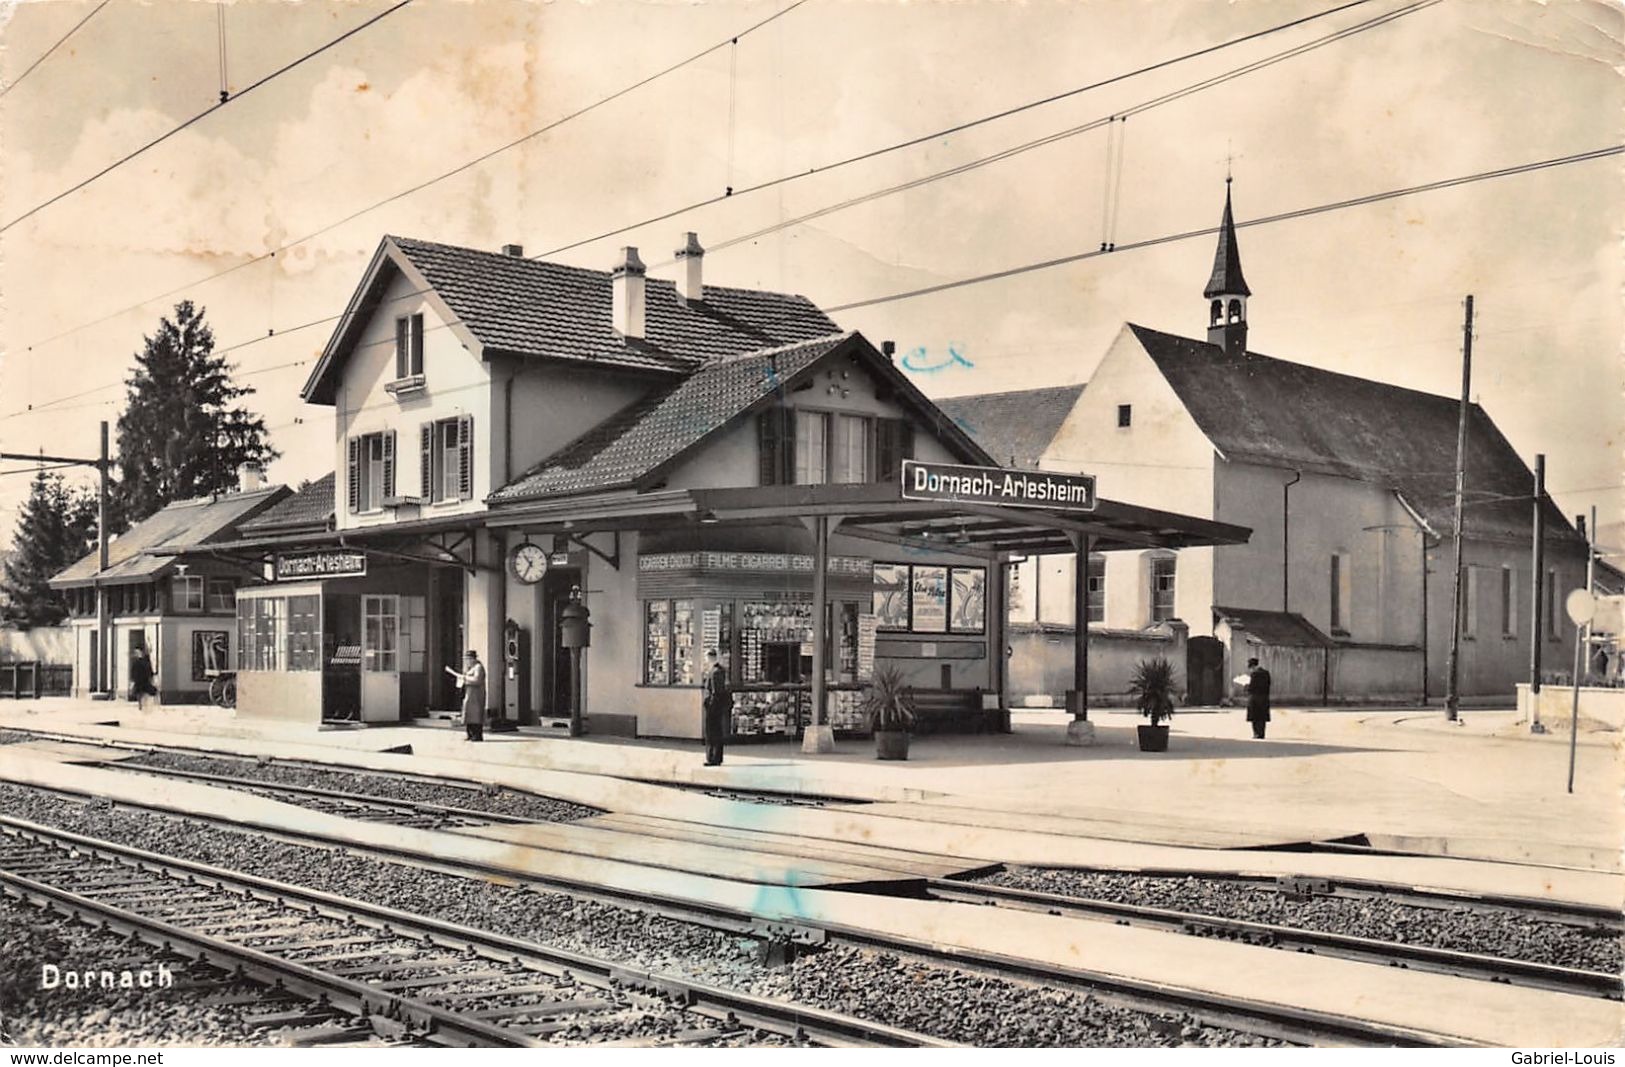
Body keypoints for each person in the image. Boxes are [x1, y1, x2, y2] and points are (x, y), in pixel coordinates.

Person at [701, 648, 731, 766]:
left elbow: (716, 691)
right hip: (717, 705)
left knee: (712, 732)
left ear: (710, 657)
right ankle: (716, 757)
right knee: (717, 731)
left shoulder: (715, 672)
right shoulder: (719, 670)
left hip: (714, 707)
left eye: (706, 657)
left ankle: (713, 757)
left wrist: (710, 704)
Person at [453, 650, 487, 742]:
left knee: (475, 715)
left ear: (472, 659)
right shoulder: (470, 668)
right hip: (469, 694)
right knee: (469, 714)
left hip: (476, 695)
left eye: (468, 659)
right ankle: (470, 734)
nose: (466, 661)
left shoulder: (478, 667)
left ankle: (477, 735)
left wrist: (465, 678)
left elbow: (477, 680)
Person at [1245, 657, 1272, 739]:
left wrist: (1246, 686)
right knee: (1262, 717)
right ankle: (1262, 733)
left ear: (1252, 666)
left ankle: (1256, 733)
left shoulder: (1253, 674)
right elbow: (1268, 684)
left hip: (1254, 698)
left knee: (1255, 717)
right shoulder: (1266, 673)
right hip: (1264, 697)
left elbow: (1251, 687)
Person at [128, 643, 158, 710]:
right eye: (135, 653)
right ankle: (141, 707)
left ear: (141, 652)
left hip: (144, 682)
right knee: (141, 696)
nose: (136, 654)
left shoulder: (145, 661)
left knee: (144, 697)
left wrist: (152, 679)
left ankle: (143, 708)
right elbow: (133, 674)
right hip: (140, 683)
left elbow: (149, 672)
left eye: (137, 652)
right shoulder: (137, 662)